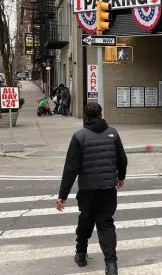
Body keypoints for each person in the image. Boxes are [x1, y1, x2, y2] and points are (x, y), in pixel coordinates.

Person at [56, 103, 128, 275]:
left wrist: (62, 195)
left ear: (86, 116)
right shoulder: (113, 133)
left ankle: (81, 253)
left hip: (87, 189)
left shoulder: (79, 136)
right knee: (106, 223)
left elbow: (70, 168)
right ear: (100, 114)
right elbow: (122, 159)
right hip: (107, 188)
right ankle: (111, 264)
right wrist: (121, 177)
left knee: (86, 219)